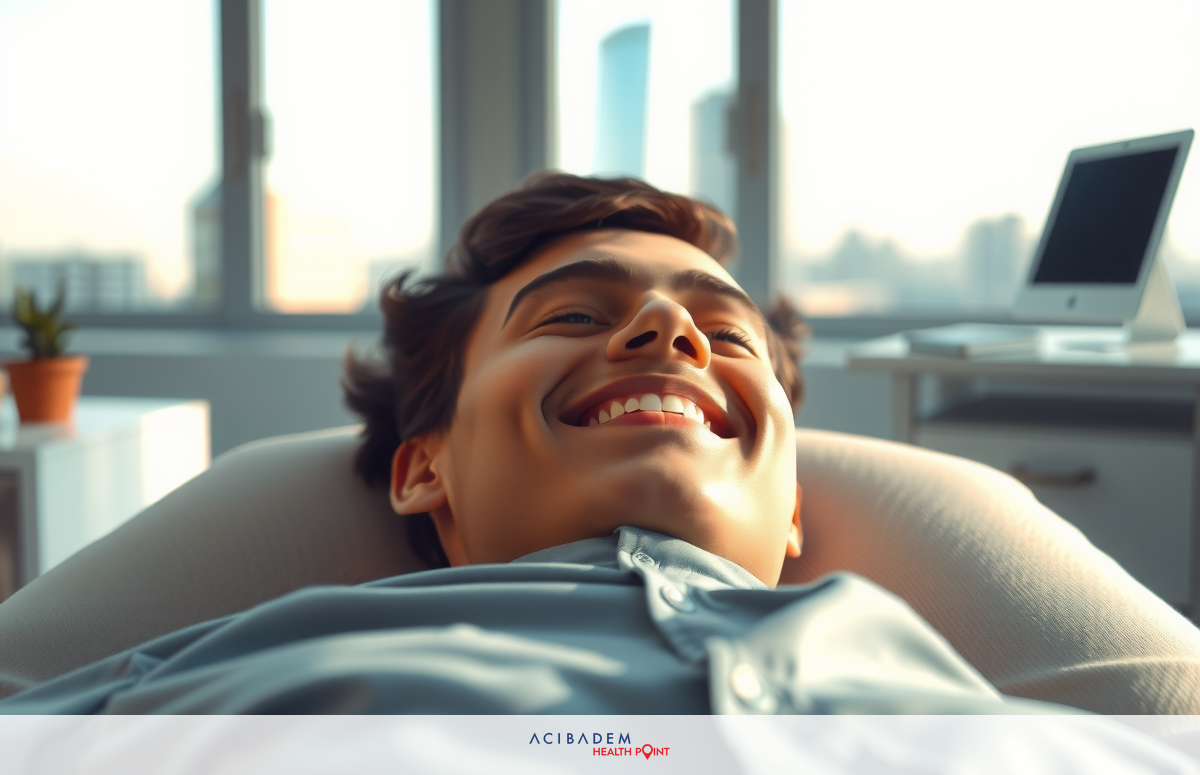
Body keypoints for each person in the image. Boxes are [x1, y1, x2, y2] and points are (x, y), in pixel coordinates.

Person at [0, 174, 1070, 715]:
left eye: (724, 333)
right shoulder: (213, 672)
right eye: (569, 316)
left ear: (795, 504)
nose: (670, 333)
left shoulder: (975, 710)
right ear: (426, 465)